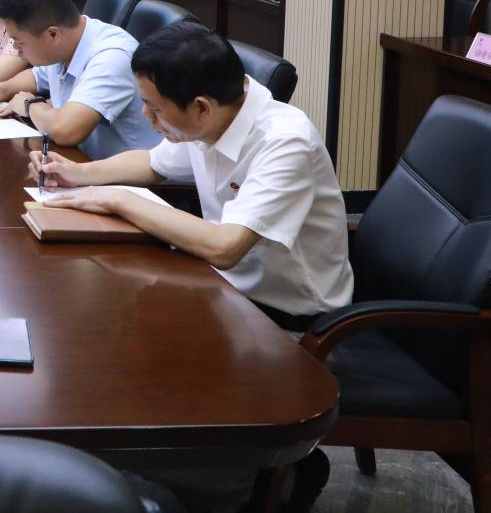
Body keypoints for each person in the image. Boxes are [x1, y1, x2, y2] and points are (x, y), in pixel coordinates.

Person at [37, 20, 353, 325]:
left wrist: (118, 200)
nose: (145, 115)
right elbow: (152, 163)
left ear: (201, 108)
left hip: (286, 316)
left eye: (155, 108)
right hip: (223, 283)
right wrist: (77, 173)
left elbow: (225, 247)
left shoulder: (285, 142)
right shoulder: (217, 114)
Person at [0, 0, 159, 157]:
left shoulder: (112, 56)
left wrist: (29, 104)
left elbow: (65, 131)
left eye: (19, 42)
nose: (16, 49)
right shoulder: (66, 41)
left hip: (125, 172)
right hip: (81, 161)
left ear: (52, 34)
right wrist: (0, 90)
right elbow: (36, 77)